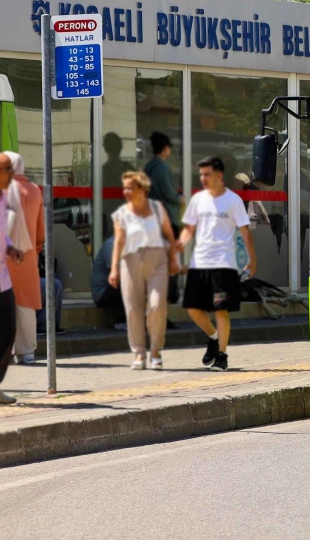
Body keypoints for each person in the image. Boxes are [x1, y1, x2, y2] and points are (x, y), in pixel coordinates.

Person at [178, 156, 256, 371]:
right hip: (199, 263)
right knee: (193, 309)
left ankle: (222, 355)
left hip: (224, 264)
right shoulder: (197, 200)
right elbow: (189, 229)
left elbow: (245, 231)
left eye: (207, 174)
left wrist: (252, 260)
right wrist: (180, 244)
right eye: (201, 174)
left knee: (221, 311)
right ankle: (213, 337)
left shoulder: (233, 201)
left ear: (219, 176)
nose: (203, 178)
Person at [107, 170, 180, 369]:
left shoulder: (157, 208)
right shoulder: (121, 213)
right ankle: (139, 354)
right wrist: (114, 269)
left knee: (157, 306)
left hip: (157, 260)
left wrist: (173, 259)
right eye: (125, 187)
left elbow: (169, 234)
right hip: (130, 261)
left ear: (142, 189)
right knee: (133, 309)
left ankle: (155, 351)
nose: (126, 191)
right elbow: (118, 242)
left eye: (130, 187)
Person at [4, 153, 43, 365]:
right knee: (26, 302)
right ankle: (26, 350)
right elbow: (40, 229)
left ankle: (7, 350)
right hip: (27, 255)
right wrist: (36, 249)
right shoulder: (35, 190)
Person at [0, 190, 19, 404]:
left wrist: (10, 249)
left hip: (2, 278)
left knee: (8, 328)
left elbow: (2, 234)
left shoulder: (4, 200)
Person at [144, 132, 184, 227]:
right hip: (166, 217)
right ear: (165, 148)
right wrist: (179, 199)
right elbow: (169, 194)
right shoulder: (162, 168)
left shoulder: (149, 166)